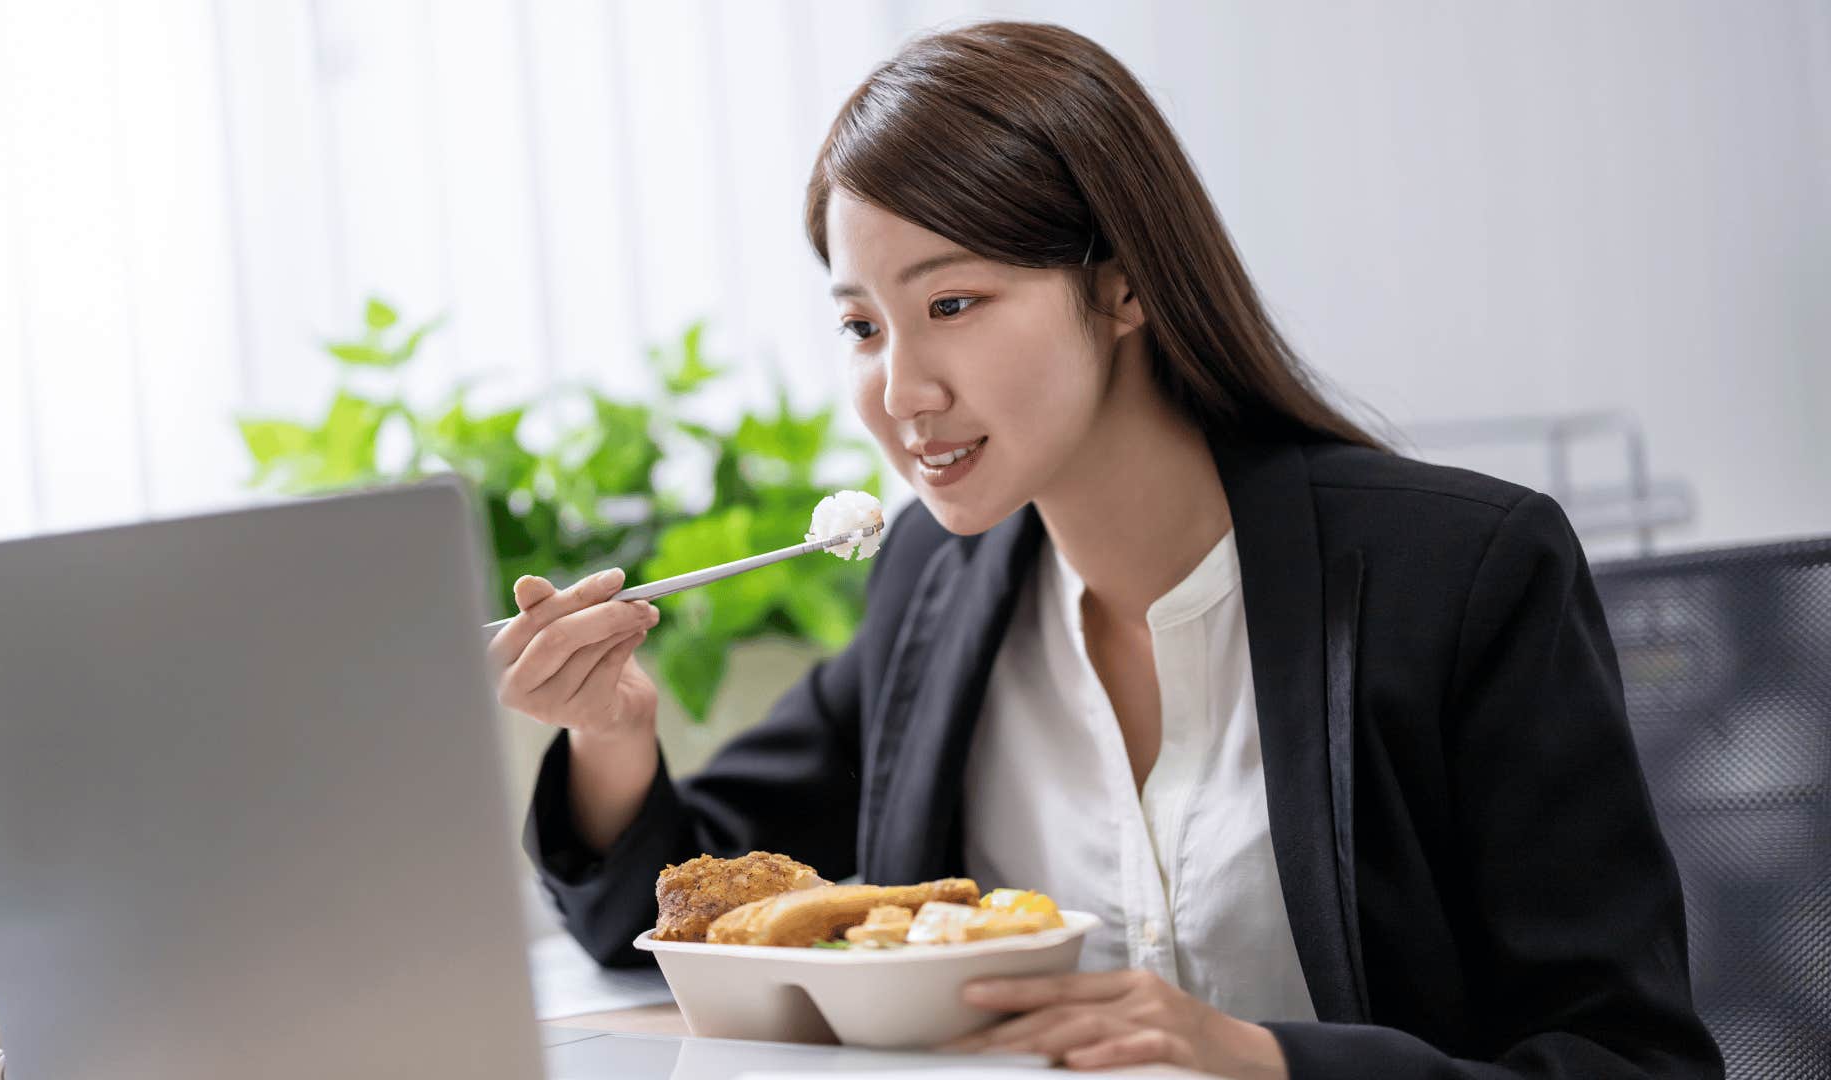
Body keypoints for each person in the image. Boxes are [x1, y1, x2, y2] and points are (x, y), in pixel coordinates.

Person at [487, 21, 1721, 1080]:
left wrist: (1262, 1058)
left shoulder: (1461, 578)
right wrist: (612, 731)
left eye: (951, 304)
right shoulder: (938, 584)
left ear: (1123, 288)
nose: (901, 388)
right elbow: (683, 921)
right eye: (863, 326)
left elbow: (1633, 1059)